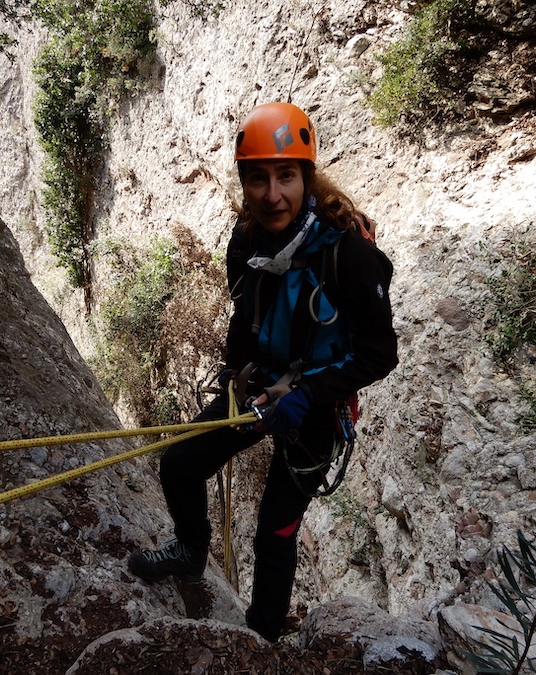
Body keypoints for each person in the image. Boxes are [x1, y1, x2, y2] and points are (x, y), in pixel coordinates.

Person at [128, 102, 398, 642]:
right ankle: (189, 551)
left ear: (307, 176)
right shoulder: (246, 239)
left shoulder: (348, 253)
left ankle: (262, 638)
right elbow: (243, 312)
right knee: (181, 461)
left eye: (286, 177)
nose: (272, 194)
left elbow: (379, 352)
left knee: (275, 526)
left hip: (318, 408)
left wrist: (309, 394)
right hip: (258, 389)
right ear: (244, 183)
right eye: (258, 178)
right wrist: (234, 374)